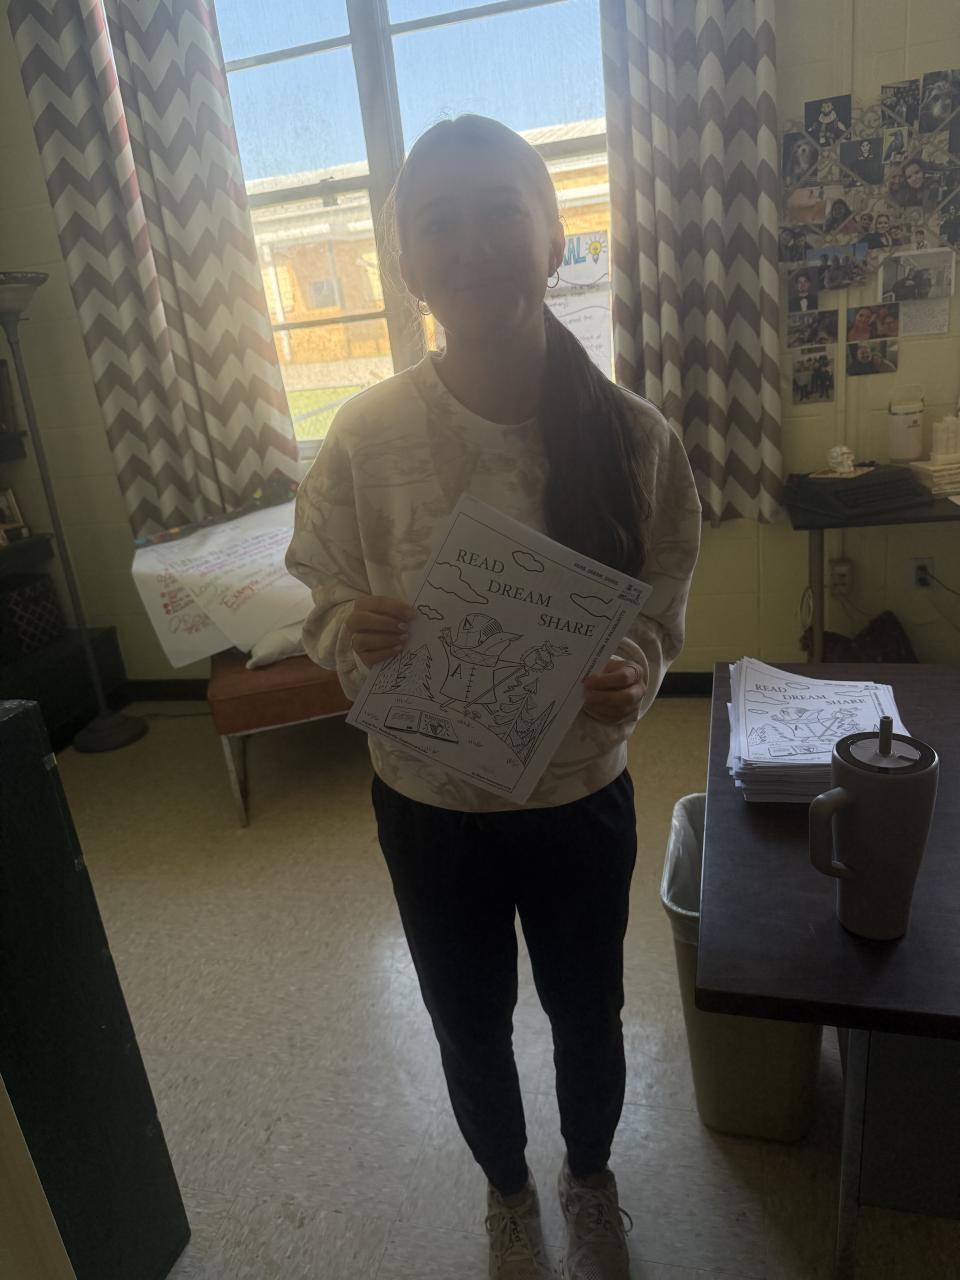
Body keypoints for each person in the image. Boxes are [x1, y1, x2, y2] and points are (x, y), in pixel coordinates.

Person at [285, 115, 702, 1280]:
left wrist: (637, 670)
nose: (469, 246)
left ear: (557, 237)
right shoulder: (365, 435)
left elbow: (660, 602)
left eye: (498, 213)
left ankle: (590, 1168)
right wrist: (350, 626)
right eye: (438, 223)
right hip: (430, 801)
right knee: (464, 1015)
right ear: (407, 264)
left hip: (578, 795)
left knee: (588, 1006)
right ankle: (507, 1183)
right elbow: (321, 582)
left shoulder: (634, 437)